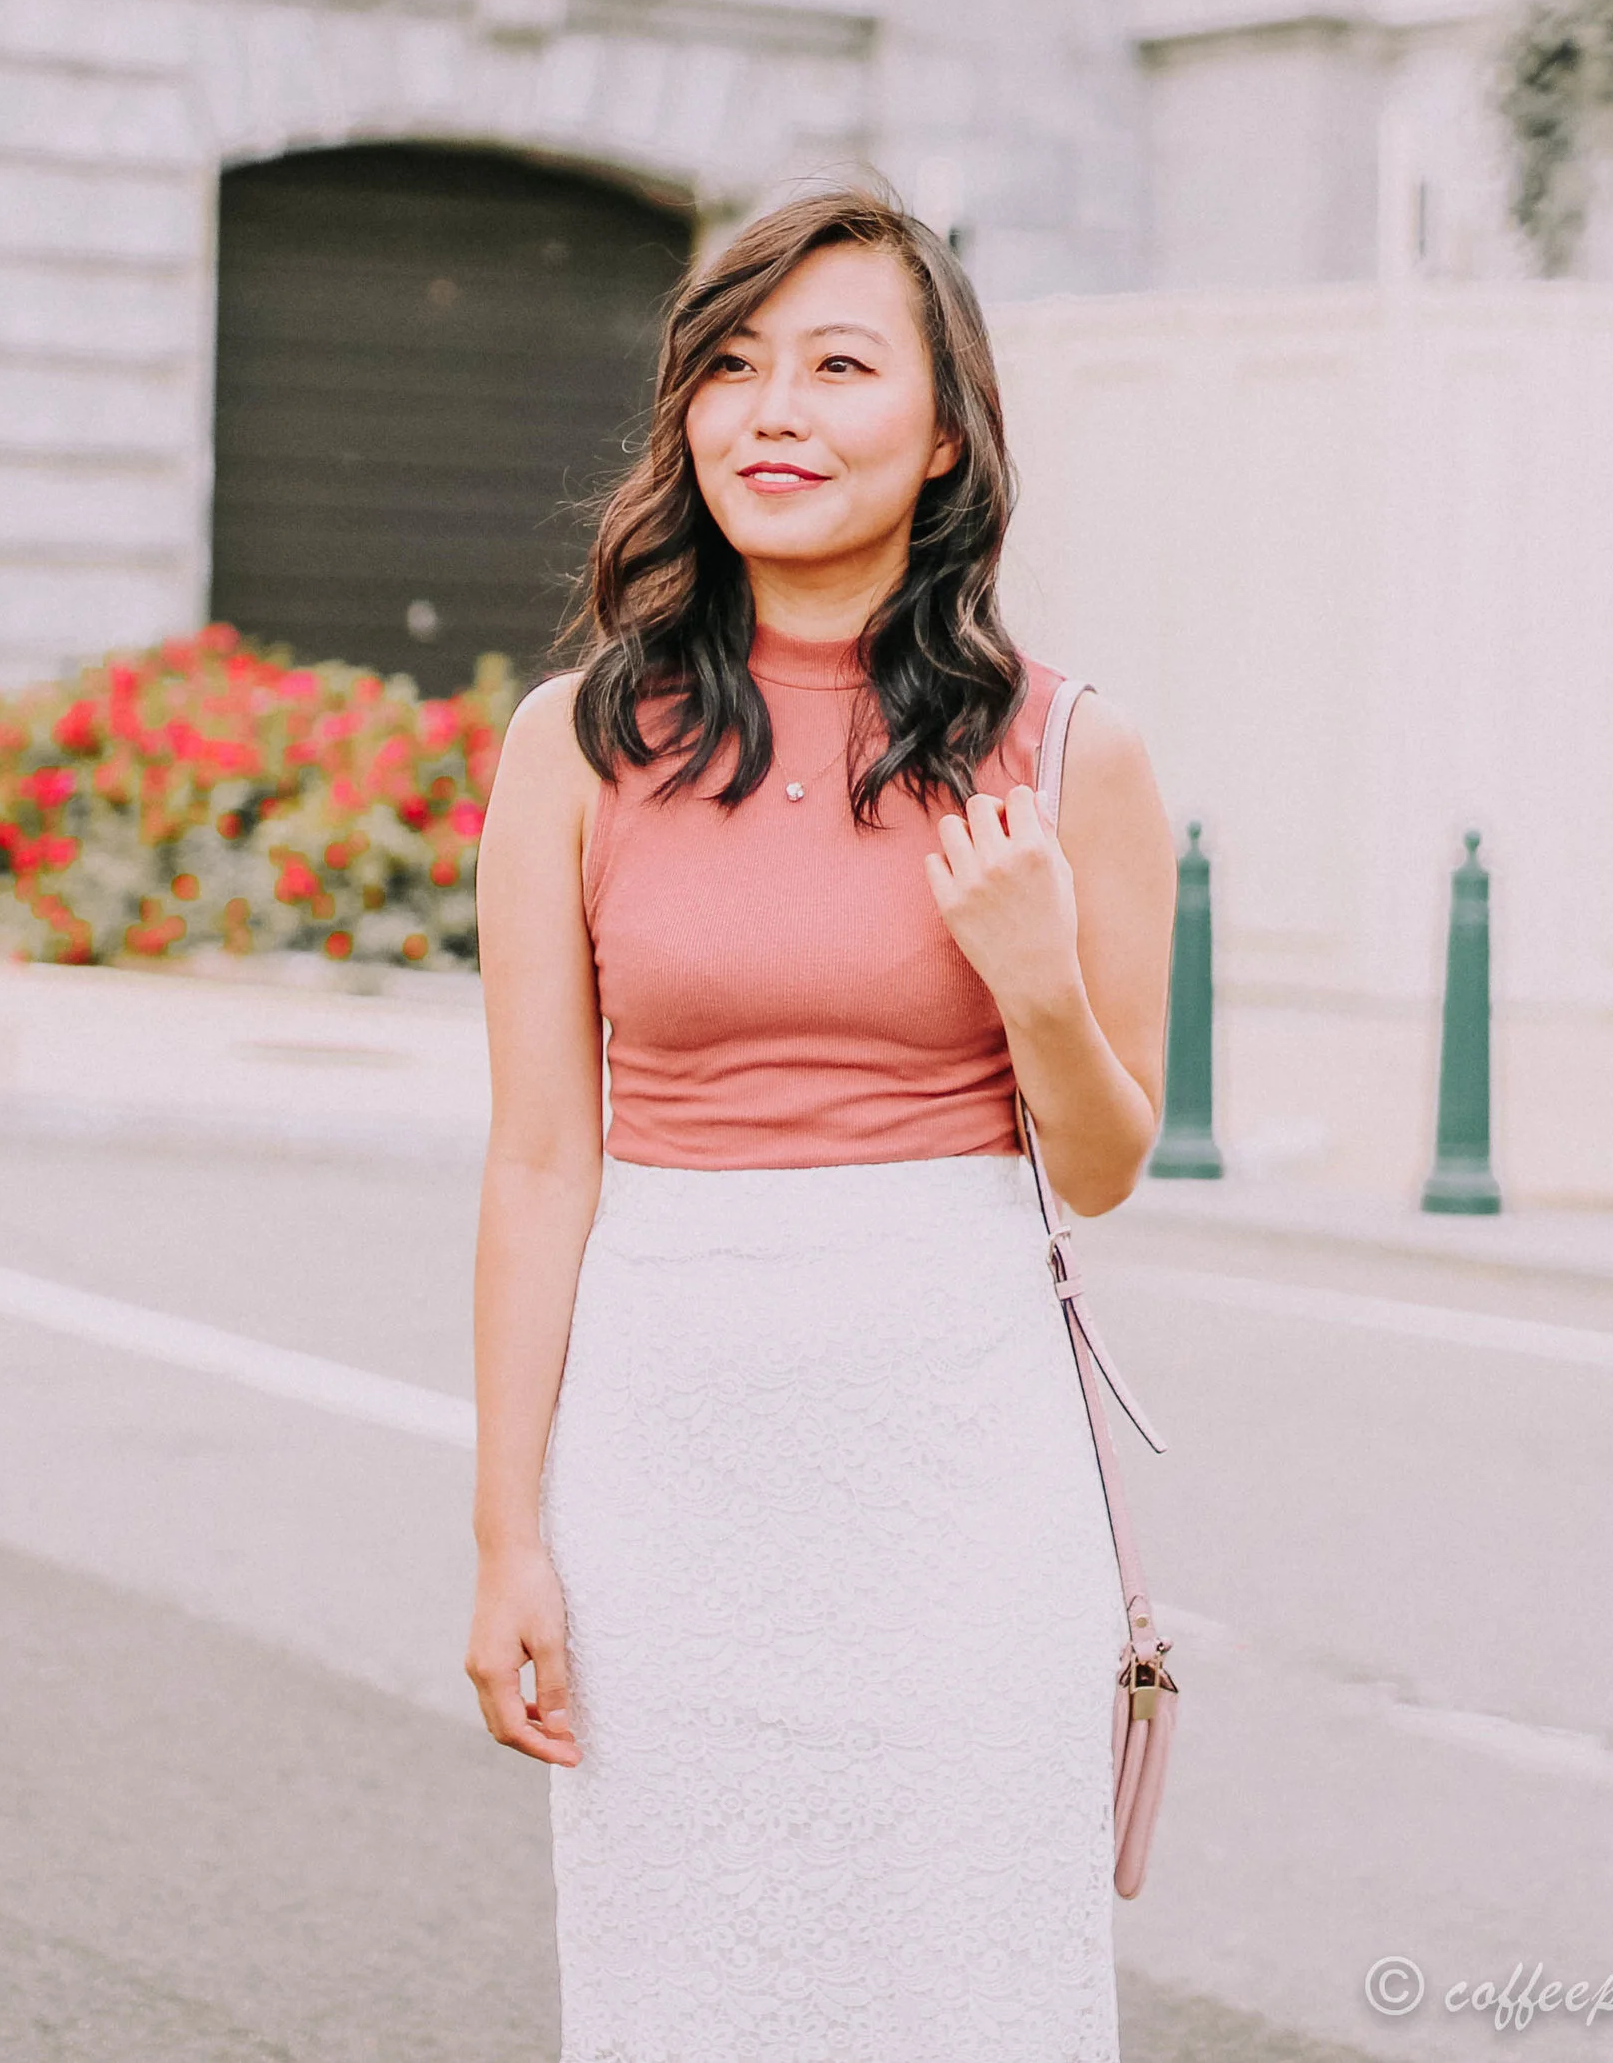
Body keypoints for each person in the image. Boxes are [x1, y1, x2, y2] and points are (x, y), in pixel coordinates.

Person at [463, 185, 1177, 2060]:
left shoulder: (1074, 750)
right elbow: (541, 1162)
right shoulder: (574, 745)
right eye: (730, 365)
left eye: (839, 366)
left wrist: (1034, 976)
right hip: (668, 1452)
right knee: (689, 1969)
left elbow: (1102, 1166)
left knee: (964, 1977)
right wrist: (505, 1538)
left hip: (954, 1461)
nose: (769, 409)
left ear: (947, 434)